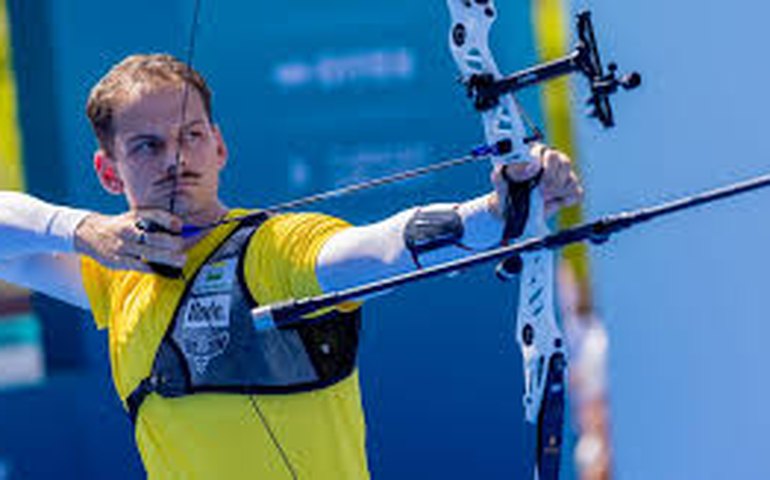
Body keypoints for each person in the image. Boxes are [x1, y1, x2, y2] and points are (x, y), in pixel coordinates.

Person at [0, 53, 582, 479]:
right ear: (109, 172)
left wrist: (494, 212)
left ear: (219, 147)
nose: (177, 158)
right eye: (147, 146)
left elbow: (379, 249)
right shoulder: (117, 275)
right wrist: (82, 231)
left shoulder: (278, 248)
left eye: (192, 135)